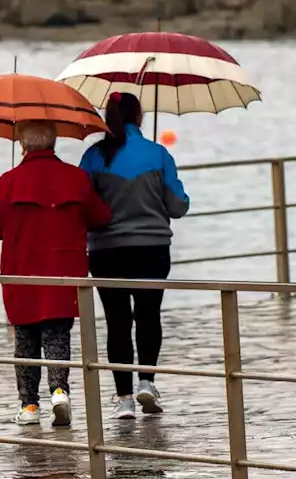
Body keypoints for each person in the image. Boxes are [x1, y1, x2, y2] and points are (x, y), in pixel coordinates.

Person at [0, 120, 112, 427]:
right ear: (54, 143)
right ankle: (60, 391)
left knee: (25, 339)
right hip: (64, 272)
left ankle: (29, 406)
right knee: (57, 335)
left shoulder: (8, 182)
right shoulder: (76, 178)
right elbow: (101, 216)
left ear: (22, 146)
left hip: (21, 273)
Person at [79, 91, 189, 420]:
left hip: (106, 251)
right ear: (139, 117)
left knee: (117, 321)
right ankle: (147, 381)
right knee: (148, 314)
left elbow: (83, 204)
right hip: (151, 249)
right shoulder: (158, 154)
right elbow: (178, 206)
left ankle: (124, 398)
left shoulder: (93, 156)